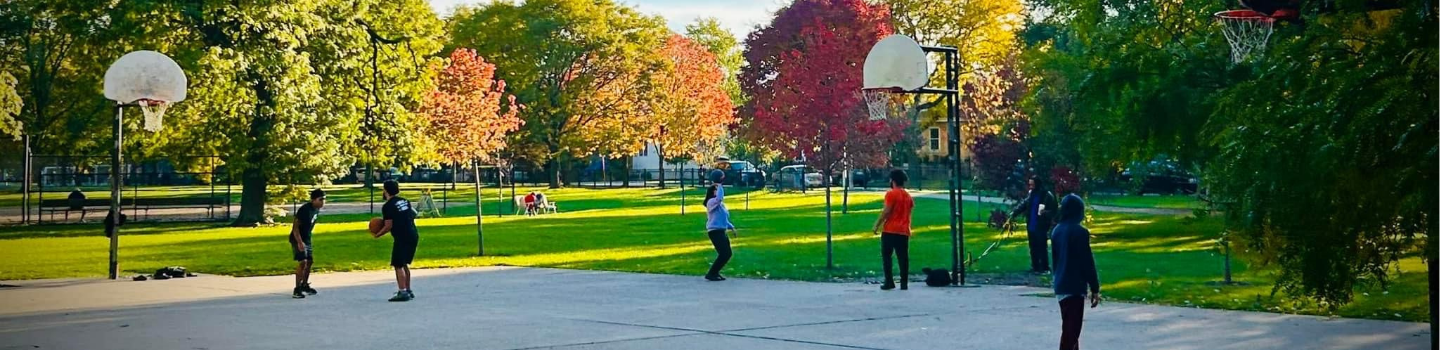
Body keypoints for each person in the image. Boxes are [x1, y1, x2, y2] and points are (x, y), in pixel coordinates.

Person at [1051, 194, 1101, 350]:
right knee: (1071, 333)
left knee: (1069, 328)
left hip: (1061, 284)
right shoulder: (1080, 232)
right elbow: (1087, 262)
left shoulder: (1056, 230)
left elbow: (1055, 260)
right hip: (1074, 286)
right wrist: (1095, 288)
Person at [372, 180, 420, 302]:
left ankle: (402, 292)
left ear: (386, 190)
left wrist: (378, 234)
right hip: (413, 233)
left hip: (402, 237)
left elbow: (388, 225)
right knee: (404, 264)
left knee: (398, 264)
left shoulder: (388, 206)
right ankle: (408, 290)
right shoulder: (405, 201)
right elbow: (414, 214)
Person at [872, 169, 915, 290]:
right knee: (903, 257)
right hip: (904, 230)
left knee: (887, 256)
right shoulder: (908, 196)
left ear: (893, 180)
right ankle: (904, 282)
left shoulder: (891, 194)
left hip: (890, 230)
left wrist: (877, 224)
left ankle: (889, 281)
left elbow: (887, 211)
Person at [1011, 176, 1058, 273]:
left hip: (1041, 225)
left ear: (1037, 184)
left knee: (1041, 246)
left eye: (1032, 184)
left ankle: (1044, 267)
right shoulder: (1031, 194)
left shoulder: (1047, 195)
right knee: (1033, 247)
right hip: (1031, 224)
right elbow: (1024, 204)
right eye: (1030, 184)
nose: (1030, 186)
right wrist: (1015, 212)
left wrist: (1045, 213)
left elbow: (1054, 211)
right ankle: (1035, 266)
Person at [289, 189, 326, 299]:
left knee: (309, 261)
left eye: (324, 199)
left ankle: (304, 285)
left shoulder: (316, 209)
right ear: (313, 200)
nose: (323, 202)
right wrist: (300, 243)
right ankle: (297, 289)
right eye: (320, 199)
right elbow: (295, 228)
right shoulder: (304, 210)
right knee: (303, 262)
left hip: (307, 238)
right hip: (297, 238)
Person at [703, 175, 737, 281]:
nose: (718, 191)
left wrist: (731, 227)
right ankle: (711, 273)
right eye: (716, 190)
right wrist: (719, 184)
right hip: (715, 231)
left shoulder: (720, 205)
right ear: (713, 192)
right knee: (724, 253)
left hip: (721, 230)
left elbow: (723, 218)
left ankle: (715, 272)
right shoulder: (711, 202)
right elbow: (719, 198)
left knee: (727, 253)